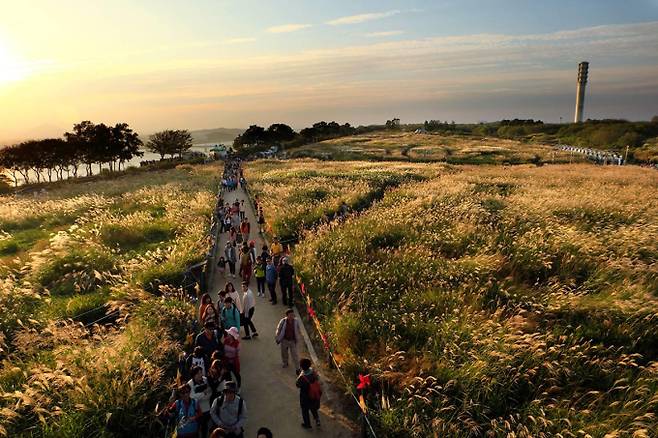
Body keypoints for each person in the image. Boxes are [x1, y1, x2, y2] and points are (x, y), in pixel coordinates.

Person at [296, 358, 322, 429]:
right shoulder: (313, 372)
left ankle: (307, 424)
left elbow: (297, 385)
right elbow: (317, 378)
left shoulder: (302, 377)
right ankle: (317, 420)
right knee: (313, 408)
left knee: (305, 410)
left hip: (305, 397)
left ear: (301, 367)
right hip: (314, 395)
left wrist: (299, 375)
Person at [275, 309, 302, 374]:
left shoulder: (296, 321)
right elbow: (279, 329)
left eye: (293, 315)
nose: (292, 316)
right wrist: (277, 337)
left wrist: (298, 337)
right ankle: (285, 362)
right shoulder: (283, 321)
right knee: (284, 353)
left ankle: (297, 368)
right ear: (287, 315)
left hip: (292, 341)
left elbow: (298, 329)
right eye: (290, 315)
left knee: (295, 355)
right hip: (284, 340)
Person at [189, 365, 213, 437]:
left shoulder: (205, 380)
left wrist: (201, 396)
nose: (201, 375)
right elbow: (192, 397)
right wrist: (203, 394)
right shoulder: (190, 384)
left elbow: (210, 392)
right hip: (197, 410)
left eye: (201, 373)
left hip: (207, 408)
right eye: (198, 373)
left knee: (206, 427)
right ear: (193, 375)